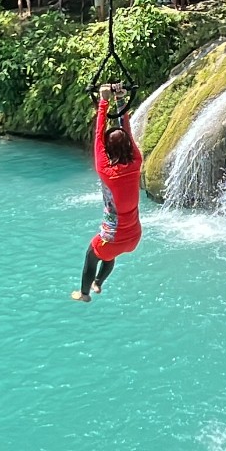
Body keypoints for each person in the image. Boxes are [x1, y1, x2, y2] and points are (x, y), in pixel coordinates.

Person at [72, 83, 142, 302]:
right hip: (133, 237)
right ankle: (98, 283)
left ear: (108, 150)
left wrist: (103, 102)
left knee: (91, 256)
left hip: (113, 237)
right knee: (111, 253)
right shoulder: (136, 162)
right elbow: (128, 135)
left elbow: (98, 135)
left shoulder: (106, 169)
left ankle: (83, 294)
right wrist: (120, 101)